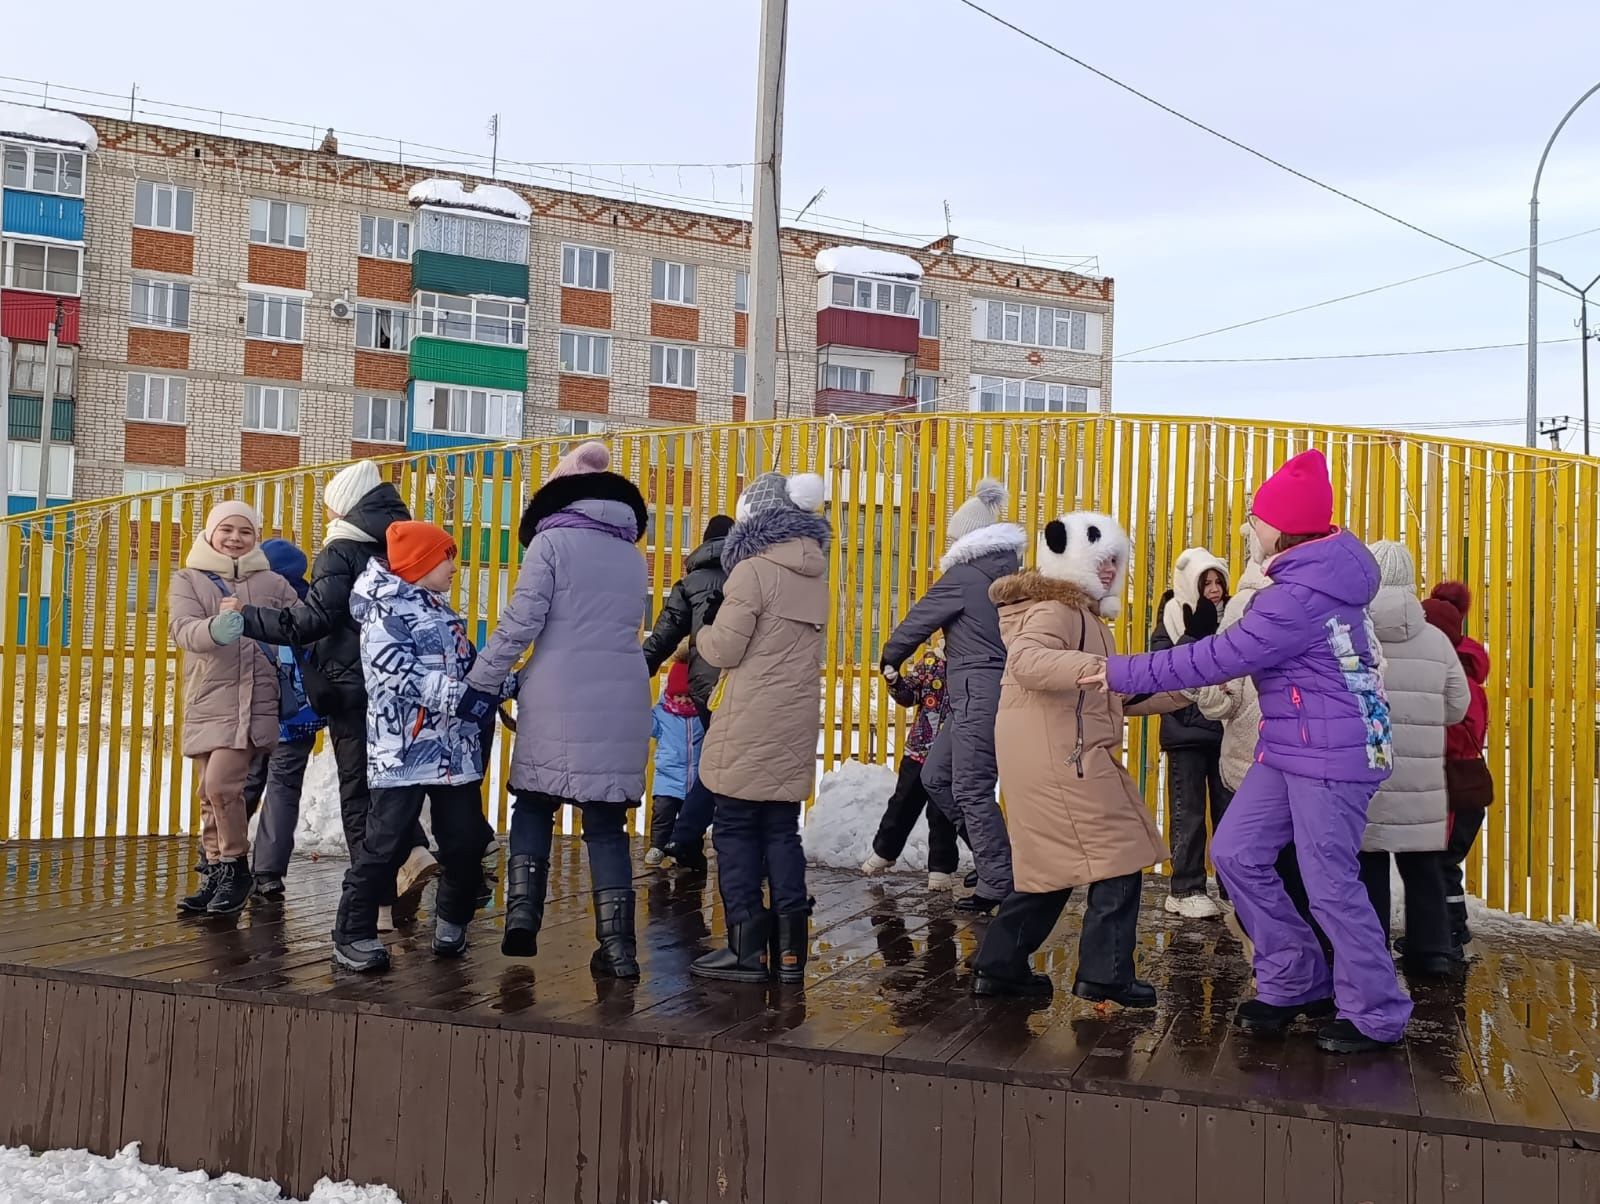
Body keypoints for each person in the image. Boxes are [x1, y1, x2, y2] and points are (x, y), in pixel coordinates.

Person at [1095, 449, 1413, 1054]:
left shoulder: (1298, 596)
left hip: (1334, 754)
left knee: (1330, 885)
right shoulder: (1303, 578)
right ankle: (1296, 978)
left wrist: (1117, 670)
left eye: (1256, 518)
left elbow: (1215, 657)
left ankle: (1376, 1010)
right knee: (1237, 851)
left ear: (1284, 527)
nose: (1248, 527)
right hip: (1290, 745)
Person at [969, 512, 1181, 1005]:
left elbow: (1106, 693)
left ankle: (999, 967)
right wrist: (1107, 667)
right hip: (1065, 760)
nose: (1109, 570)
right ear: (1069, 555)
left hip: (1058, 756)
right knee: (1120, 857)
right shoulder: (1054, 609)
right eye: (1101, 560)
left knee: (1054, 869)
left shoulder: (1081, 615)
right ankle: (1105, 975)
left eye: (1115, 562)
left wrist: (1181, 693)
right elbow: (1028, 663)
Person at [458, 441, 652, 977]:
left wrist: (483, 682)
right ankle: (619, 949)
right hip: (622, 693)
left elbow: (523, 623)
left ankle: (522, 918)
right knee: (607, 825)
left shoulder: (552, 544)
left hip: (558, 690)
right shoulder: (632, 555)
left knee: (535, 805)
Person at [240, 461, 436, 926]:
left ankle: (377, 904)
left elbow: (313, 621)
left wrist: (247, 617)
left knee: (357, 795)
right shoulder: (400, 547)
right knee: (393, 781)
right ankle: (414, 851)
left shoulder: (341, 550)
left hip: (351, 689)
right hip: (401, 685)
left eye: (330, 503)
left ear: (345, 504)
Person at [331, 522, 510, 972]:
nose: (454, 567)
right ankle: (352, 931)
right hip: (404, 754)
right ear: (419, 564)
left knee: (466, 842)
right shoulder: (383, 613)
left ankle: (452, 918)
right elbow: (397, 673)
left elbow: (471, 670)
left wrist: (510, 683)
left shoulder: (443, 614)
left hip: (454, 755)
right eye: (446, 557)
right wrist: (460, 698)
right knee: (384, 846)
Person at [690, 470, 830, 984]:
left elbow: (726, 649)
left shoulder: (751, 572)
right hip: (794, 718)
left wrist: (703, 630)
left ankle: (746, 946)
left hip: (751, 717)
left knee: (733, 827)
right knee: (781, 830)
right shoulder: (815, 574)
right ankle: (791, 951)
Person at [879, 479, 1025, 914]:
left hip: (978, 690)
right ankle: (995, 859)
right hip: (983, 692)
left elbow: (918, 619)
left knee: (970, 787)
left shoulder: (964, 575)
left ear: (966, 540)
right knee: (936, 777)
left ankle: (1000, 880)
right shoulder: (1008, 573)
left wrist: (890, 656)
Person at [1191, 526, 1328, 962]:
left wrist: (1208, 686)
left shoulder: (1244, 607)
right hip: (1297, 763)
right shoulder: (1323, 598)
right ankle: (1298, 964)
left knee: (1259, 866)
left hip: (1258, 761)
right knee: (1304, 869)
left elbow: (1219, 693)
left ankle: (1281, 963)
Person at [167, 501, 299, 915]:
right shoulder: (188, 579)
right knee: (208, 794)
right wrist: (214, 628)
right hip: (209, 696)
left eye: (245, 531)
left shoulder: (273, 583)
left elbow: (300, 623)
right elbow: (182, 629)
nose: (235, 538)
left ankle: (236, 867)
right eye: (227, 529)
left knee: (224, 787)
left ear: (255, 537)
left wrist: (261, 621)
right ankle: (214, 873)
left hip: (254, 699)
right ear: (210, 533)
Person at [1356, 541, 1471, 978]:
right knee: (1422, 865)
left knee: (1369, 865)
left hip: (1370, 771)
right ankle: (1433, 952)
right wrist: (1422, 717)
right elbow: (1458, 707)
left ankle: (1372, 954)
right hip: (1423, 779)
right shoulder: (1437, 640)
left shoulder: (1356, 631)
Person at [640, 515, 734, 871]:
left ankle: (687, 838)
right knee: (732, 765)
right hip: (738, 683)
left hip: (702, 687)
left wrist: (640, 667)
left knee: (718, 760)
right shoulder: (749, 575)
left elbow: (665, 633)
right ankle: (711, 839)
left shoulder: (690, 582)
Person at [241, 538, 325, 899]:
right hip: (299, 716)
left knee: (243, 784)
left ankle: (217, 856)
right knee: (283, 790)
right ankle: (268, 873)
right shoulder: (313, 606)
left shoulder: (251, 605)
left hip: (254, 712)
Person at [1151, 548, 1232, 919]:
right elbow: (1163, 669)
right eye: (1206, 583)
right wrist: (1195, 633)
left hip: (1226, 727)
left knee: (1230, 813)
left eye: (1218, 582)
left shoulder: (1235, 615)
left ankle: (1233, 888)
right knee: (1189, 812)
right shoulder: (1170, 615)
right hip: (1185, 727)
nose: (1214, 590)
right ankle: (1185, 887)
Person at [1422, 585, 1493, 949]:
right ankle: (1443, 931)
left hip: (1454, 785)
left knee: (1441, 864)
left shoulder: (1456, 683)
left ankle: (1450, 932)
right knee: (1441, 864)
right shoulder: (1471, 680)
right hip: (1462, 787)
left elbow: (1455, 734)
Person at [860, 640, 962, 890]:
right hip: (919, 749)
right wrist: (896, 682)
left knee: (942, 813)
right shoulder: (930, 661)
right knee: (902, 802)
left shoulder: (968, 665)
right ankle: (884, 851)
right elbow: (910, 695)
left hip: (951, 754)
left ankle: (941, 868)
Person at [647, 654, 705, 866]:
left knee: (691, 820)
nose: (683, 700)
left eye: (688, 696)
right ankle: (657, 845)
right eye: (678, 696)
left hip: (694, 780)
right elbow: (647, 726)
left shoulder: (700, 716)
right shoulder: (662, 714)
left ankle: (690, 853)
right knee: (663, 814)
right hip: (668, 778)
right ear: (670, 694)